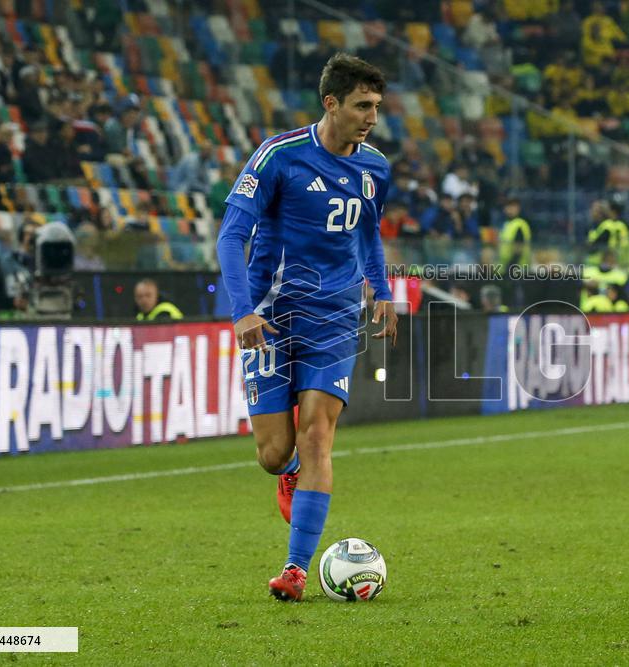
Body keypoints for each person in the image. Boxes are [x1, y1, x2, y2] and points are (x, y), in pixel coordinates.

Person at [216, 53, 398, 602]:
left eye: (376, 107)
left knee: (320, 432)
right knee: (274, 453)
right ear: (331, 103)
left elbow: (367, 233)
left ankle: (295, 570)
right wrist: (243, 311)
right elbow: (230, 237)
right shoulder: (279, 156)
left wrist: (381, 290)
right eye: (362, 105)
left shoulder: (376, 168)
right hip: (271, 315)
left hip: (336, 317)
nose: (371, 117)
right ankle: (290, 466)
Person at [0, 220, 37, 315]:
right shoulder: (5, 261)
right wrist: (12, 302)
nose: (31, 238)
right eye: (28, 234)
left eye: (35, 235)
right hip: (10, 314)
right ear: (21, 236)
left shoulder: (45, 262)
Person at [587, 200, 629, 272]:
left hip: (610, 266)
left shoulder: (609, 226)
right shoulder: (623, 225)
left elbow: (593, 246)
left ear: (613, 212)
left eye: (607, 209)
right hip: (624, 265)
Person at [498, 197, 531, 273]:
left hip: (517, 269)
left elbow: (518, 251)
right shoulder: (506, 224)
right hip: (505, 267)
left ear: (518, 208)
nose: (510, 209)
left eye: (513, 206)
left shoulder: (519, 225)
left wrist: (510, 269)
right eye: (508, 206)